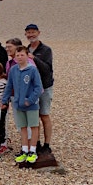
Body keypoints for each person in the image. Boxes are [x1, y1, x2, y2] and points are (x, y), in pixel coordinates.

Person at [1, 46, 43, 164]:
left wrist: (30, 100)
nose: (19, 57)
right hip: (18, 104)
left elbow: (38, 87)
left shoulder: (32, 69)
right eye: (17, 55)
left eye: (22, 55)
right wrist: (4, 100)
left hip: (31, 104)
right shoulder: (13, 70)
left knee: (33, 127)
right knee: (22, 127)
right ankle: (24, 150)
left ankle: (32, 151)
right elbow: (9, 86)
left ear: (27, 55)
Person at [25, 24, 54, 155]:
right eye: (28, 33)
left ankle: (47, 145)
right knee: (33, 116)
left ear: (38, 33)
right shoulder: (25, 49)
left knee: (44, 115)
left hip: (45, 87)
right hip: (30, 89)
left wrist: (34, 58)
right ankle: (35, 143)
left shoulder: (46, 50)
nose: (31, 35)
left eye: (33, 32)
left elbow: (47, 69)